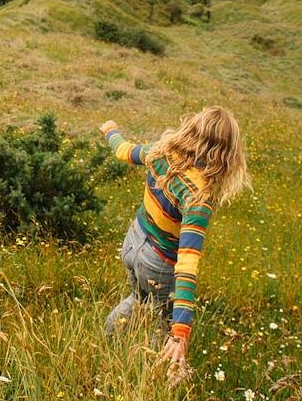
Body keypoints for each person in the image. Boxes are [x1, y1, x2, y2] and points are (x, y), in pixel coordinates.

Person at [100, 106, 251, 375]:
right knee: (166, 327)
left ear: (193, 128)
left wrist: (110, 130)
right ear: (228, 152)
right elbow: (187, 264)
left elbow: (123, 150)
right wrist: (181, 331)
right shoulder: (199, 196)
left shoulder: (162, 152)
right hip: (158, 262)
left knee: (137, 298)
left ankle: (106, 344)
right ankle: (155, 377)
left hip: (133, 243)